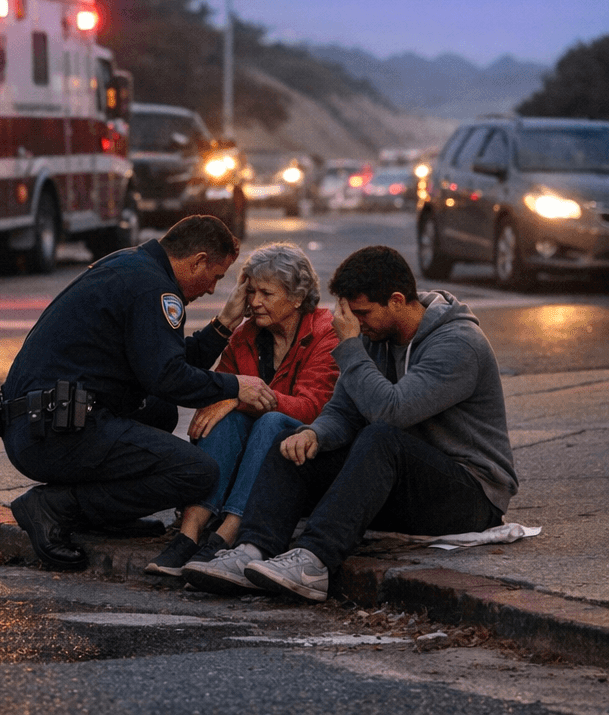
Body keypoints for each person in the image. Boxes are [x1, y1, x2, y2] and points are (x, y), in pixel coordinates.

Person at [184, 245, 517, 601]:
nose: (355, 324)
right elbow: (342, 410)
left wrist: (350, 347)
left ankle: (313, 562)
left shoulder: (457, 343)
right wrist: (314, 433)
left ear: (397, 300)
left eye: (363, 313)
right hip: (401, 484)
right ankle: (252, 551)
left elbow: (392, 412)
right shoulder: (377, 336)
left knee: (379, 436)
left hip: (470, 494)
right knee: (292, 439)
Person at [0, 215, 277, 571]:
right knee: (198, 473)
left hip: (39, 424)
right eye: (216, 276)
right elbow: (170, 377)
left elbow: (160, 362)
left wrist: (223, 324)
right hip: (53, 433)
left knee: (160, 411)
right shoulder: (155, 289)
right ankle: (55, 507)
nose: (211, 288)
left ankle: (104, 515)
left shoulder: (133, 266)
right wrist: (237, 385)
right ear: (198, 260)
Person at [145, 242, 339, 576]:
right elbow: (216, 399)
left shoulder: (325, 333)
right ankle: (189, 536)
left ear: (296, 298)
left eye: (267, 293)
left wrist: (240, 397)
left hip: (301, 462)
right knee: (226, 417)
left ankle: (225, 535)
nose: (255, 302)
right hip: (246, 459)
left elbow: (313, 408)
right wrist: (232, 399)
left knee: (270, 420)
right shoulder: (245, 336)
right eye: (251, 292)